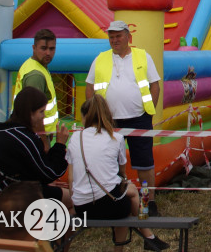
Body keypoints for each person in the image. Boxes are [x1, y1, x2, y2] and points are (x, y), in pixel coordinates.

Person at [68, 96, 168, 251]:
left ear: (85, 116)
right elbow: (121, 173)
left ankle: (149, 237)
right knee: (129, 195)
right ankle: (147, 236)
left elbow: (71, 178)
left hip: (82, 206)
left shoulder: (75, 138)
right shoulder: (117, 138)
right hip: (111, 206)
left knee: (125, 195)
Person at [85, 20, 162, 208]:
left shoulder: (143, 57)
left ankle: (147, 203)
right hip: (108, 120)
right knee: (109, 164)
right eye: (111, 37)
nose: (114, 40)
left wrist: (148, 112)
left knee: (144, 164)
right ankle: (114, 202)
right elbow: (90, 87)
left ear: (129, 37)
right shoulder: (100, 59)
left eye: (118, 36)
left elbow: (155, 86)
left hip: (139, 119)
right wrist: (94, 114)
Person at [0, 87, 71, 212]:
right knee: (74, 200)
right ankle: (44, 231)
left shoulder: (0, 132)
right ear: (30, 114)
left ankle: (41, 229)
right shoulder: (22, 138)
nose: (43, 117)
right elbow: (49, 173)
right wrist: (60, 144)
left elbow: (35, 172)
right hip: (7, 200)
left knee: (53, 190)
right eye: (41, 112)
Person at [12, 29, 59, 135]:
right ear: (34, 48)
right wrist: (43, 141)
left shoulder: (33, 65)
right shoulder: (36, 75)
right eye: (43, 48)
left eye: (52, 49)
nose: (48, 53)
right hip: (37, 135)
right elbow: (34, 115)